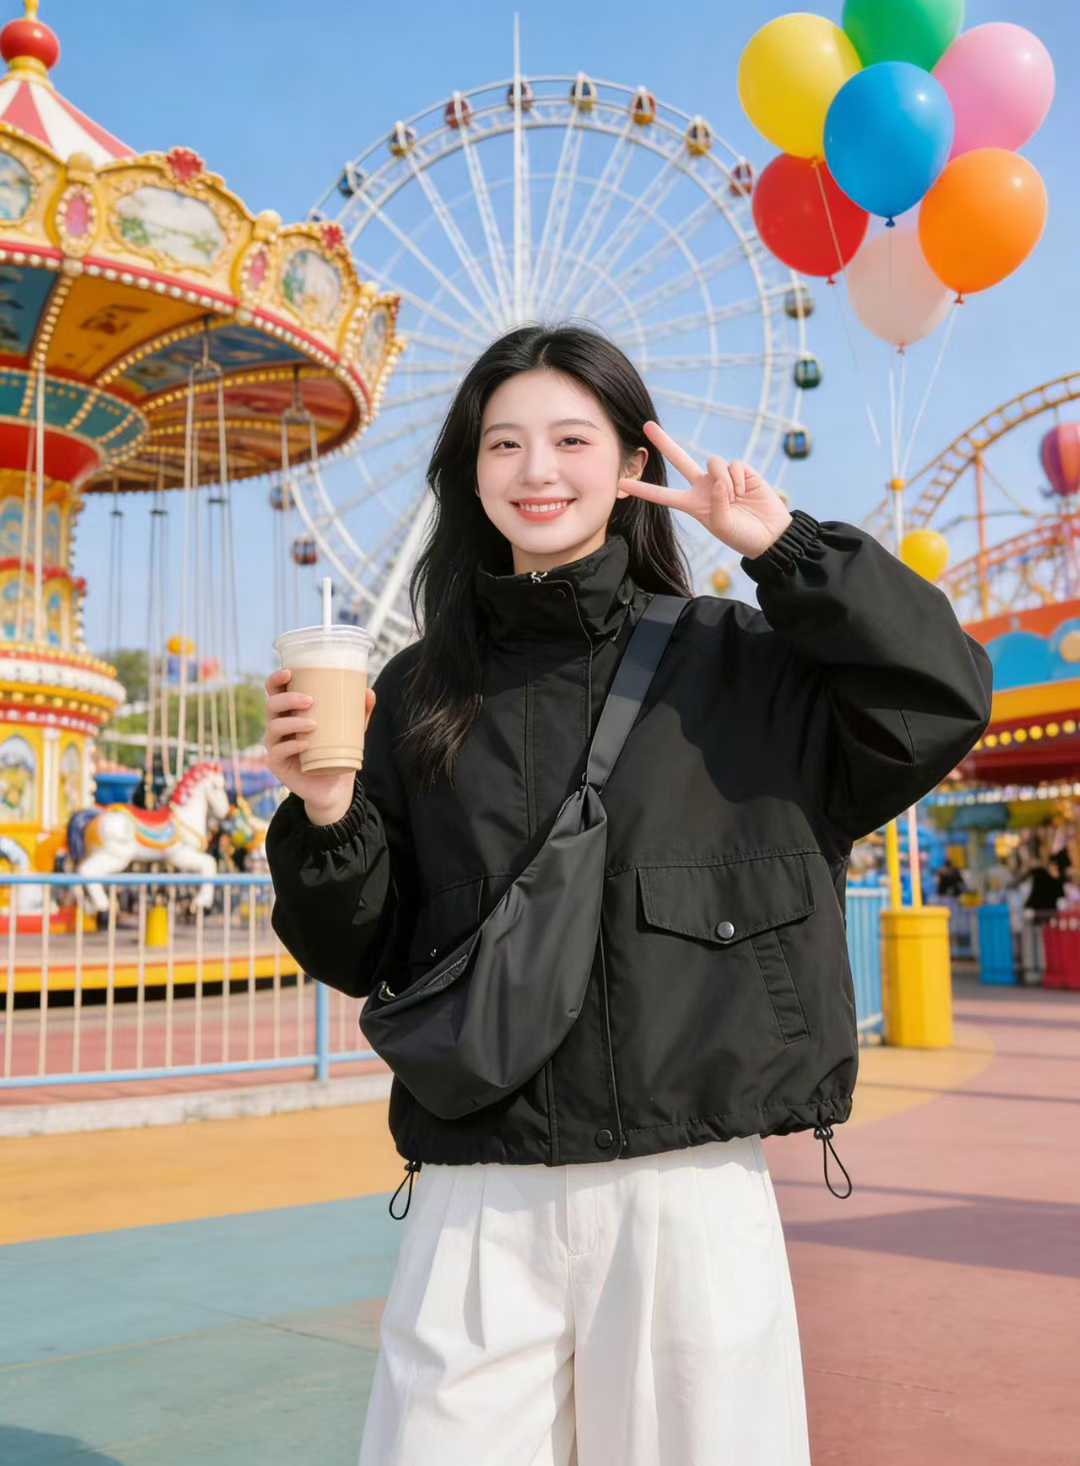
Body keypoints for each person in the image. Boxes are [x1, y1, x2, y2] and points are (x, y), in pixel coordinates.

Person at [263, 325, 993, 1466]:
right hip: (479, 1189)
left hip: (687, 1181)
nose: (537, 470)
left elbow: (939, 696)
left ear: (631, 463)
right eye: (504, 442)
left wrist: (787, 547)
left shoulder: (744, 663)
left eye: (571, 439)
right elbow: (357, 949)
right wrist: (324, 811)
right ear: (470, 472)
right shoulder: (415, 692)